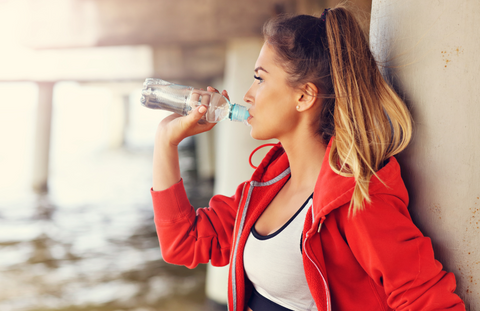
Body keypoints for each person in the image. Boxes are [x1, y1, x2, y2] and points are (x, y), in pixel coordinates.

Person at [150, 6, 465, 311]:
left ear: (304, 96)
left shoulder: (356, 199)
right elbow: (183, 243)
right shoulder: (269, 181)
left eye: (259, 79)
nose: (246, 95)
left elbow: (428, 301)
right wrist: (166, 139)